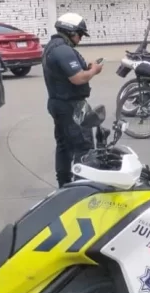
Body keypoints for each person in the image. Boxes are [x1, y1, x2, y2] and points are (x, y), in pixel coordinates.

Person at [42, 12, 104, 187]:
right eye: (80, 34)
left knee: (64, 146)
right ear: (71, 32)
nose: (81, 38)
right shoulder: (63, 50)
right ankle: (81, 187)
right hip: (71, 106)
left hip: (58, 103)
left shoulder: (52, 47)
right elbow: (78, 78)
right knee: (83, 147)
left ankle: (64, 184)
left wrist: (87, 67)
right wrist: (94, 70)